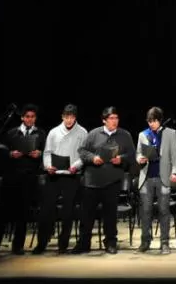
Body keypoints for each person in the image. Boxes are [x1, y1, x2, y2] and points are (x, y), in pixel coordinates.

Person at [0, 104, 45, 256]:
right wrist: (11, 154)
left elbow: (46, 152)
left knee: (23, 214)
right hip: (11, 176)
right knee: (3, 213)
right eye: (27, 116)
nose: (30, 119)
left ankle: (18, 246)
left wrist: (39, 154)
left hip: (29, 177)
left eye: (33, 117)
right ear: (22, 117)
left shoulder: (40, 134)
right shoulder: (11, 133)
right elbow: (1, 150)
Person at [75, 106, 135, 254]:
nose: (114, 121)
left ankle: (111, 242)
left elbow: (132, 155)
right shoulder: (94, 133)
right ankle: (84, 243)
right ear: (104, 120)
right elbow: (82, 151)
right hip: (92, 181)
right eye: (111, 118)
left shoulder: (124, 135)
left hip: (112, 180)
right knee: (87, 215)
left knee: (110, 215)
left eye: (116, 118)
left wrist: (121, 159)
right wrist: (93, 158)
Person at [34, 104, 87, 254]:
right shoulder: (54, 132)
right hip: (54, 175)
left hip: (71, 176)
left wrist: (75, 166)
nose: (69, 120)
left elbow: (84, 155)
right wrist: (48, 166)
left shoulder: (82, 132)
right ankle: (41, 244)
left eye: (71, 117)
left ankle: (63, 244)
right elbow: (47, 152)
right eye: (66, 117)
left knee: (67, 212)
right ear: (62, 117)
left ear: (75, 117)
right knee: (46, 210)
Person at [136, 107, 176, 254]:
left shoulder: (170, 133)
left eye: (154, 121)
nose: (151, 124)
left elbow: (175, 156)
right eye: (149, 121)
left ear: (160, 120)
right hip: (147, 177)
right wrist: (140, 159)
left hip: (163, 177)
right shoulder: (143, 134)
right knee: (146, 210)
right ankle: (145, 242)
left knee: (163, 210)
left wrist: (175, 172)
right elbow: (138, 154)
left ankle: (164, 243)